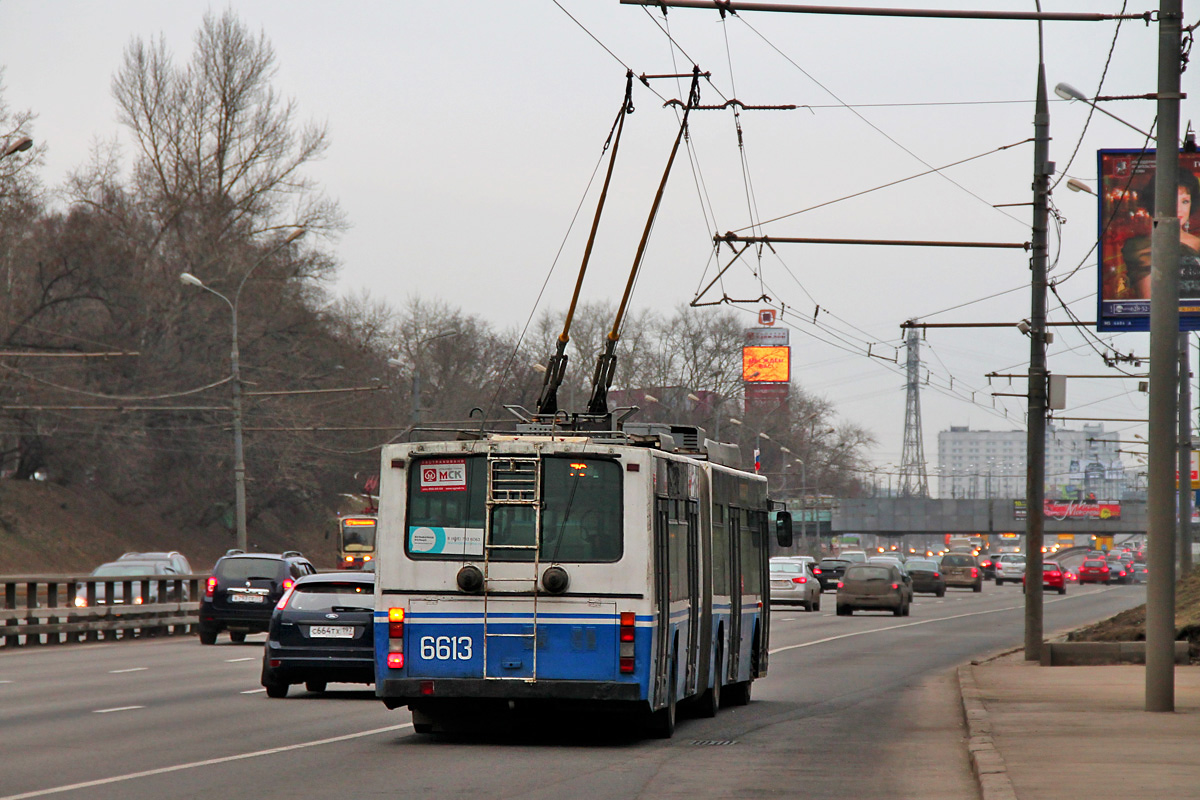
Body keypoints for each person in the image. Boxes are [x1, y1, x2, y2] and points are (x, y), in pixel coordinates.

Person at [1120, 168, 1200, 299]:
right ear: (1156, 203)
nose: (1179, 208)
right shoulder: (1141, 247)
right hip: (1167, 318)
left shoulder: (1197, 243)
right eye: (1171, 200)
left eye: (1185, 201)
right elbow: (1150, 301)